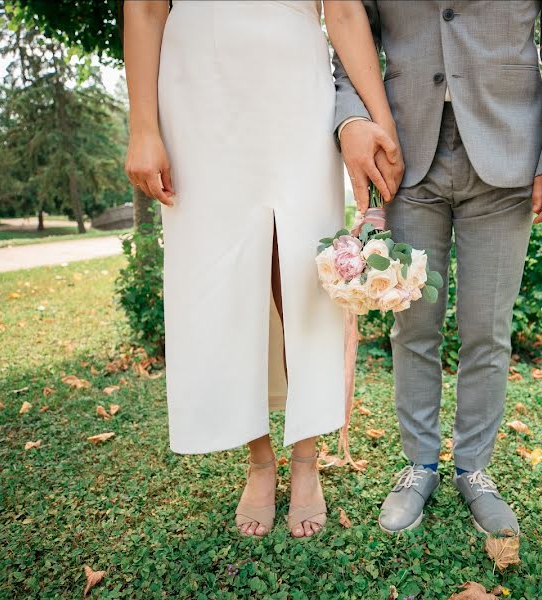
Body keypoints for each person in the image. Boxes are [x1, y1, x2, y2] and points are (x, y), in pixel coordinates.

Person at [123, 0, 400, 539]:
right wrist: (142, 126)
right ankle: (258, 457)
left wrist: (381, 121)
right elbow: (146, 8)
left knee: (299, 267)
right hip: (197, 86)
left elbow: (343, 13)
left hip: (295, 80)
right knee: (221, 270)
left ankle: (305, 457)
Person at [334, 1, 542, 535]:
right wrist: (350, 118)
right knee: (413, 327)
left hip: (509, 147)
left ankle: (474, 469)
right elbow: (347, 28)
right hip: (402, 151)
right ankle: (419, 466)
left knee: (487, 330)